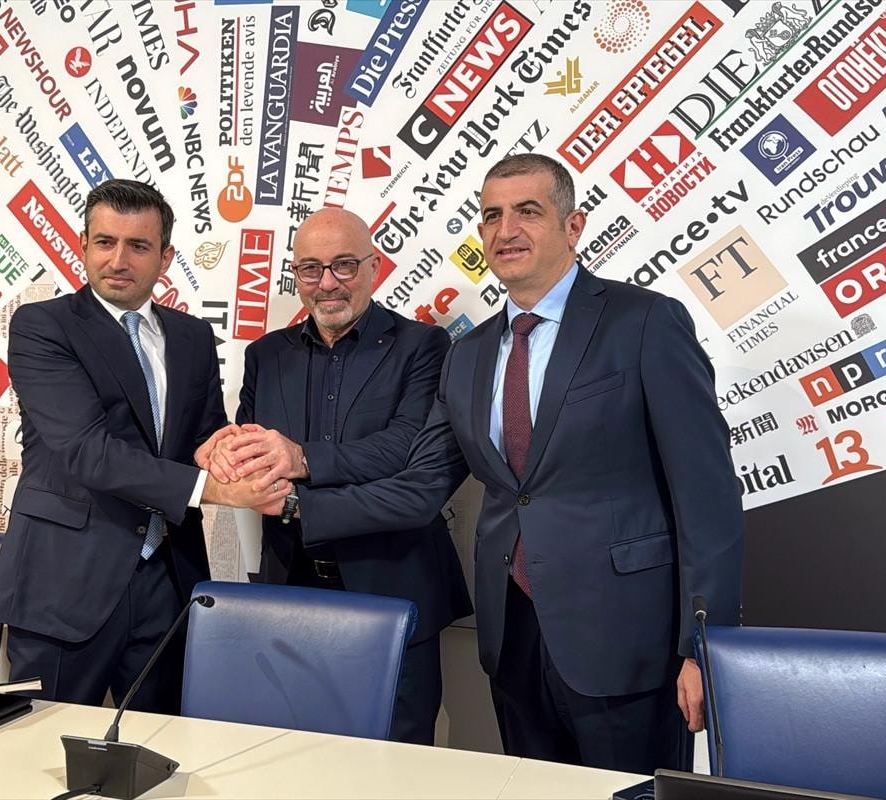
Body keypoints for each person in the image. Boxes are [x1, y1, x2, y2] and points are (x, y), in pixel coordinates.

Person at [281, 155, 745, 773]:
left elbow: (706, 492)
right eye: (492, 215)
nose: (506, 230)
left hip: (628, 640)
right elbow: (422, 485)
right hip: (513, 638)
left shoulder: (644, 321)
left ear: (573, 226)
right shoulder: (468, 353)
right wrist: (294, 504)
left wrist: (703, 642)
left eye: (528, 211)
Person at [0, 180, 286, 710]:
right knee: (38, 744)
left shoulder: (192, 336)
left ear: (165, 257)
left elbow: (201, 434)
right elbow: (87, 451)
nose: (118, 260)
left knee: (159, 745)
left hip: (168, 579)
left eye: (138, 246)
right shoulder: (42, 327)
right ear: (83, 245)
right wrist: (215, 490)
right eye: (105, 242)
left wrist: (227, 452)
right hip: (65, 582)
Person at [197, 208, 471, 744]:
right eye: (311, 268)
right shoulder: (265, 355)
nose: (327, 283)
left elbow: (405, 449)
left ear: (374, 267)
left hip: (393, 584)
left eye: (344, 265)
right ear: (295, 275)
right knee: (292, 750)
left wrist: (301, 459)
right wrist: (225, 452)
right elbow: (254, 451)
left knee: (398, 758)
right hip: (288, 587)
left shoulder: (424, 346)